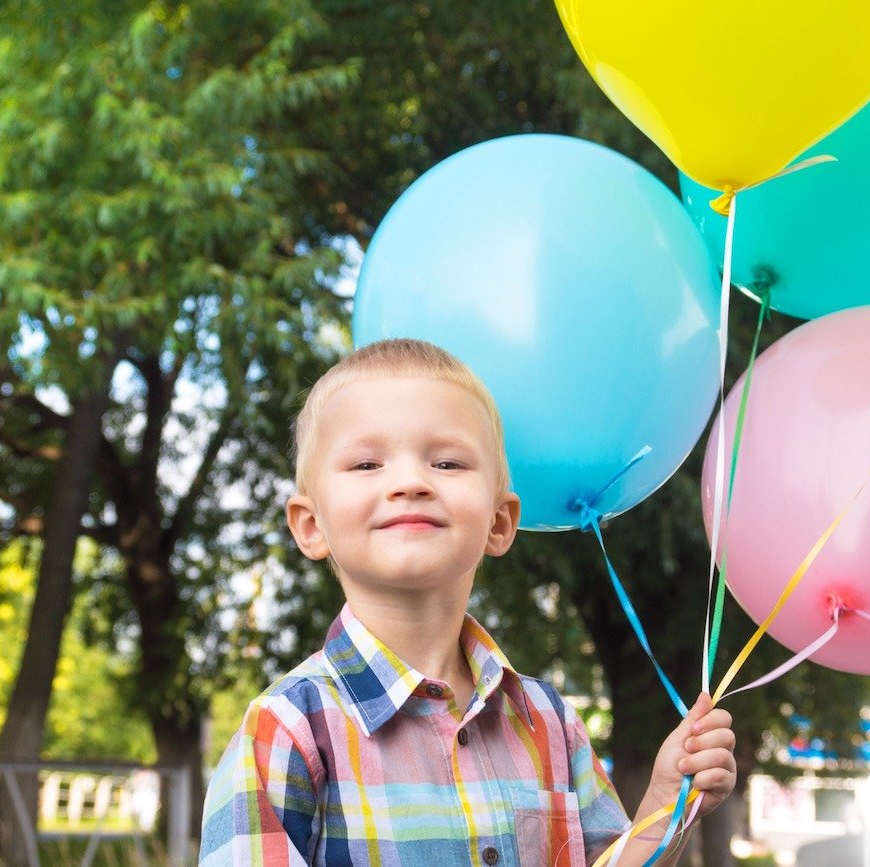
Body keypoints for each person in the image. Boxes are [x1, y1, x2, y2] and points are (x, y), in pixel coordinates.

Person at [200, 338, 736, 865]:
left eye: (448, 464)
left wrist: (667, 804)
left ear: (499, 523)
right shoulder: (287, 730)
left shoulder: (549, 722)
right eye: (367, 465)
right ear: (311, 526)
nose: (410, 482)